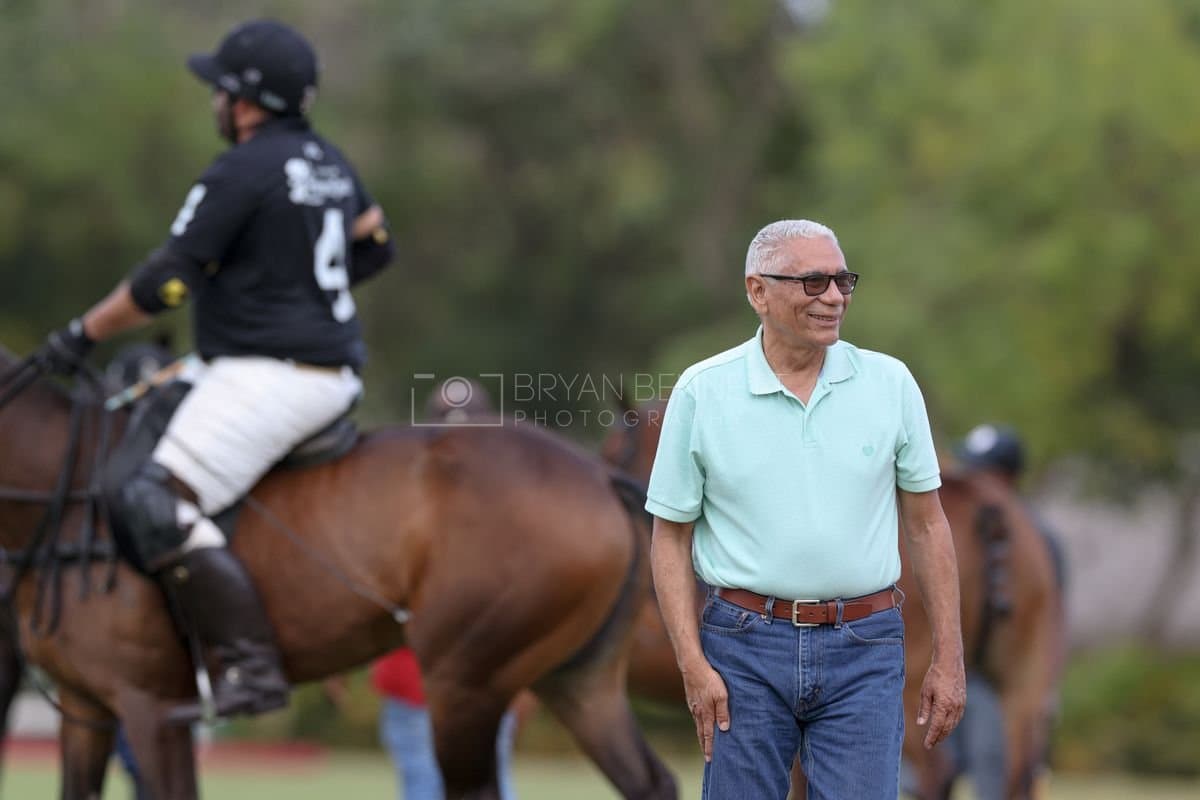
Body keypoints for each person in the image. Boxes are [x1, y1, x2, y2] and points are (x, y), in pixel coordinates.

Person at [34, 18, 395, 724]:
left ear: (248, 102)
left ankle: (250, 665)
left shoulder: (242, 169)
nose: (216, 104)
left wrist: (80, 335)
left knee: (152, 499)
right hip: (312, 368)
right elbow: (375, 243)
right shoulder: (328, 161)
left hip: (272, 375)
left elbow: (167, 280)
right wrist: (290, 286)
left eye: (221, 91)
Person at [646, 219, 966, 800]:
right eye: (814, 282)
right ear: (758, 291)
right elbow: (670, 537)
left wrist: (950, 657)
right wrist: (692, 663)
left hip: (866, 647)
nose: (835, 297)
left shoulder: (891, 383)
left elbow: (927, 524)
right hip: (742, 646)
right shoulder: (702, 391)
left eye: (843, 281)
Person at [953, 423, 1067, 800]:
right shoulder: (962, 533)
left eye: (985, 473)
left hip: (1001, 684)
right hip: (959, 673)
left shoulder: (1037, 537)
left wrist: (1045, 690)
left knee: (999, 772)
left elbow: (1053, 618)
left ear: (1009, 478)